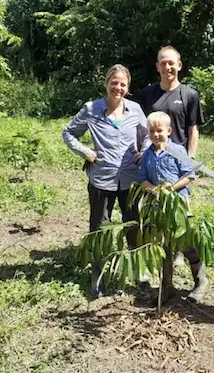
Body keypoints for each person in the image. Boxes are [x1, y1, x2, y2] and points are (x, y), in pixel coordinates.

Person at [62, 64, 149, 296]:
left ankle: (139, 272)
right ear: (106, 84)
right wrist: (86, 152)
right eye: (114, 82)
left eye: (123, 84)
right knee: (99, 229)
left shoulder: (136, 110)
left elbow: (148, 135)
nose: (118, 88)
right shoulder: (92, 109)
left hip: (130, 180)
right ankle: (97, 275)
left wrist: (143, 153)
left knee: (133, 225)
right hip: (101, 179)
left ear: (127, 87)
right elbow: (68, 133)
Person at [139, 45, 205, 265]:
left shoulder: (189, 94)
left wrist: (191, 159)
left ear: (179, 65)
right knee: (157, 211)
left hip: (178, 164)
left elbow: (193, 129)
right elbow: (141, 126)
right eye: (163, 63)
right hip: (154, 161)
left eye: (171, 62)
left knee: (180, 213)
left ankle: (181, 252)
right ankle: (162, 252)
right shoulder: (148, 94)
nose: (168, 67)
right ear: (157, 66)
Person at [138, 111, 209, 303]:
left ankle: (200, 281)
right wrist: (152, 189)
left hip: (178, 204)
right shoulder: (147, 154)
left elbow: (189, 176)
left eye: (159, 130)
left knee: (185, 242)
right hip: (157, 205)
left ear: (168, 131)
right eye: (152, 131)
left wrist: (172, 188)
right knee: (163, 244)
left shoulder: (177, 150)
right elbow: (142, 178)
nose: (156, 134)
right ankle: (167, 286)